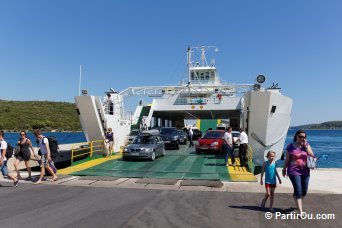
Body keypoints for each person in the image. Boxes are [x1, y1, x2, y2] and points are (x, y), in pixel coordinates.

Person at [282, 129, 314, 215]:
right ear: (296, 136)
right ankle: (300, 211)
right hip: (293, 170)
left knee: (304, 191)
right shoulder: (290, 146)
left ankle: (296, 197)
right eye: (300, 136)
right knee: (299, 191)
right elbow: (287, 159)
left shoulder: (306, 145)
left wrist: (305, 147)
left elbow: (312, 155)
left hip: (305, 171)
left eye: (304, 137)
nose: (302, 138)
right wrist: (284, 169)